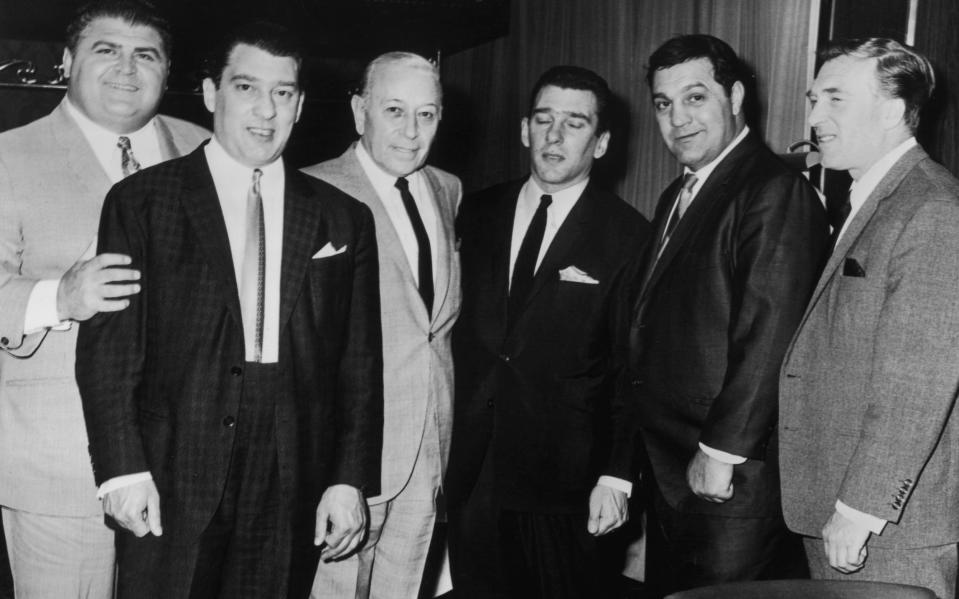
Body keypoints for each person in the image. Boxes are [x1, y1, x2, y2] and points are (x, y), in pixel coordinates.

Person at [75, 21, 383, 599]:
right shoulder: (143, 202)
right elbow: (111, 351)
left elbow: (360, 365)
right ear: (213, 93)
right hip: (173, 468)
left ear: (298, 106)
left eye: (283, 93)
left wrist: (349, 480)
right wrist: (122, 470)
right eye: (247, 88)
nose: (266, 110)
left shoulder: (343, 218)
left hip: (292, 471)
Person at [0, 1, 209, 596]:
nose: (127, 67)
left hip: (189, 462)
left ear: (168, 72)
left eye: (146, 54)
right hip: (59, 464)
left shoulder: (208, 153)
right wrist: (58, 296)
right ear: (66, 62)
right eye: (105, 49)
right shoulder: (8, 156)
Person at [627, 34, 828, 596]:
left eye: (695, 98)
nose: (678, 119)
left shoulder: (773, 189)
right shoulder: (678, 195)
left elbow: (770, 335)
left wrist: (718, 454)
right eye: (664, 104)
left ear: (735, 96)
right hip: (674, 475)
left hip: (731, 483)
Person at [445, 65, 651, 598]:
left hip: (567, 482)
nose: (555, 136)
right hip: (473, 471)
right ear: (524, 130)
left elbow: (634, 367)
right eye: (544, 119)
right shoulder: (476, 212)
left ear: (602, 143)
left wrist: (617, 475)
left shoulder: (628, 236)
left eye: (575, 123)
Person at [779, 38, 959, 599]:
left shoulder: (931, 208)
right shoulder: (873, 198)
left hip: (886, 526)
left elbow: (919, 379)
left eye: (834, 98)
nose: (813, 116)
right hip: (842, 508)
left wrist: (860, 509)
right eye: (813, 99)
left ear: (890, 109)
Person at [304, 52, 461, 599]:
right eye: (394, 110)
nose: (411, 132)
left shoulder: (447, 189)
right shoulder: (308, 193)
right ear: (358, 111)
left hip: (427, 448)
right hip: (345, 457)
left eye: (428, 114)